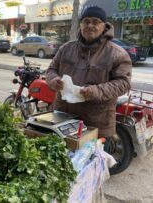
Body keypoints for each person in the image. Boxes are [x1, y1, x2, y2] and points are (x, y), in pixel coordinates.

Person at [46, 6, 132, 141]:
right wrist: (53, 80)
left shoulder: (117, 54)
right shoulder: (66, 48)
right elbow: (51, 70)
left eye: (96, 21)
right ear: (81, 25)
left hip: (96, 122)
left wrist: (94, 91)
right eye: (86, 21)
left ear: (104, 26)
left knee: (92, 160)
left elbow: (123, 83)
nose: (90, 25)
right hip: (63, 117)